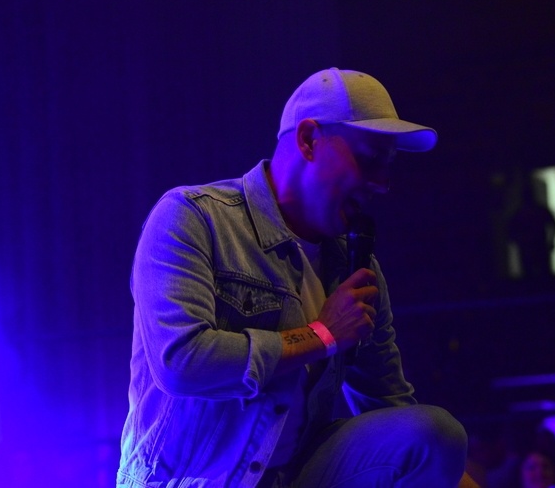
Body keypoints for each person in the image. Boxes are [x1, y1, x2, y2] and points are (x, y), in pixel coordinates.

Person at [117, 68, 472, 487]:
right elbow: (181, 364)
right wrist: (322, 335)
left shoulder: (355, 265)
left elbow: (394, 412)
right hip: (196, 481)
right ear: (308, 140)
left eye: (388, 165)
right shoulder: (193, 217)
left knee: (433, 434)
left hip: (293, 477)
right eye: (369, 159)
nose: (381, 184)